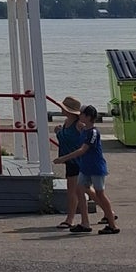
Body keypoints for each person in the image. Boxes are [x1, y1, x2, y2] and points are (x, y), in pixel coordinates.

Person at [54, 104, 119, 234]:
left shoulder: (93, 132)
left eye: (82, 114)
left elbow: (83, 149)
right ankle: (85, 222)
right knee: (80, 190)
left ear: (88, 117)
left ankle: (112, 223)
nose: (80, 116)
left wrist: (64, 158)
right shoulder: (84, 130)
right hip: (85, 166)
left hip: (95, 166)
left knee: (100, 193)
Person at [53, 96, 86, 230]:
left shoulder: (79, 125)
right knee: (84, 190)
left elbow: (87, 140)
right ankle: (109, 213)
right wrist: (58, 131)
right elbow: (65, 139)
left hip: (77, 160)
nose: (61, 109)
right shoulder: (66, 122)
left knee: (76, 191)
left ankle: (70, 219)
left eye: (63, 107)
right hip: (70, 161)